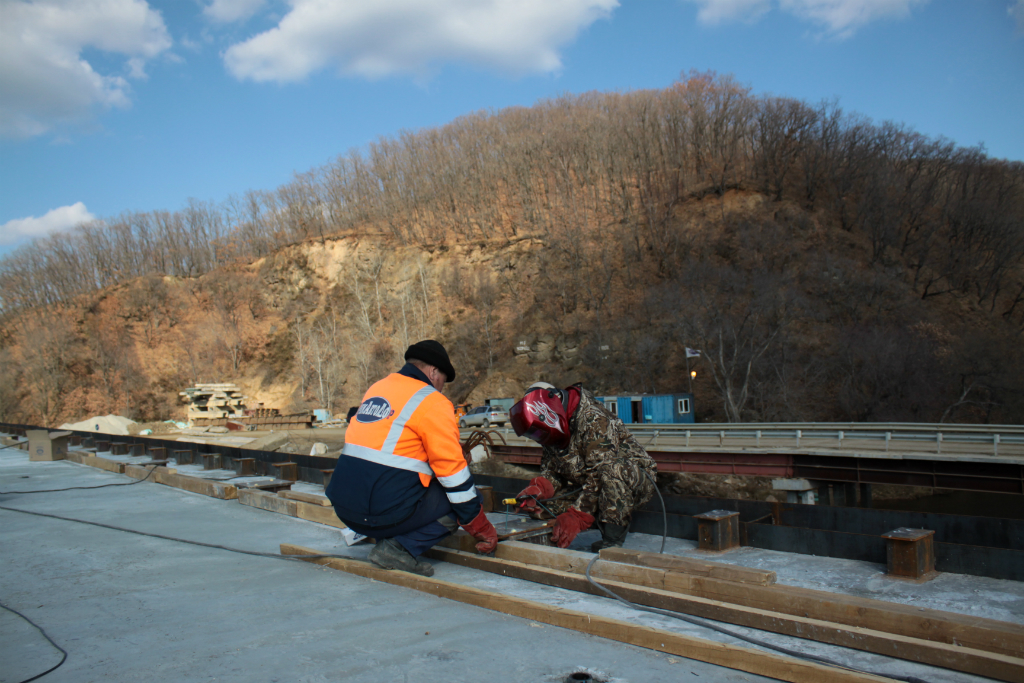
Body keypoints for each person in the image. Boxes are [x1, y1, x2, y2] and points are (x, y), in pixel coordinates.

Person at [326, 340, 497, 576]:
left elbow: (394, 449)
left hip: (345, 509)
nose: (441, 388)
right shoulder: (432, 401)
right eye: (442, 381)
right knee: (464, 500)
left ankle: (388, 533)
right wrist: (480, 525)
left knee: (408, 485)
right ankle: (399, 548)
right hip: (376, 513)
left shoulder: (378, 388)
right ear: (433, 371)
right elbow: (452, 474)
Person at [509, 381, 657, 552]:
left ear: (550, 405)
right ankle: (595, 517)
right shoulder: (550, 430)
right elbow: (552, 472)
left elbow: (600, 472)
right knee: (540, 507)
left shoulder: (593, 418)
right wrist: (539, 488)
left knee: (612, 470)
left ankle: (612, 541)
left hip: (632, 481)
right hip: (590, 485)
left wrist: (577, 516)